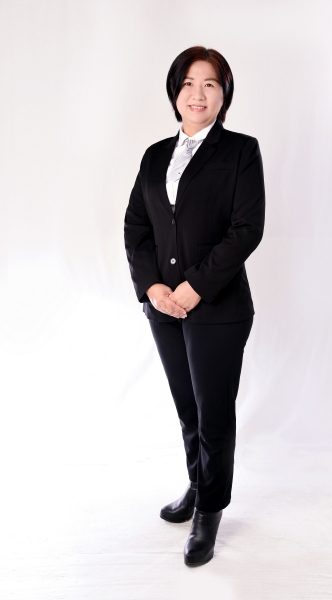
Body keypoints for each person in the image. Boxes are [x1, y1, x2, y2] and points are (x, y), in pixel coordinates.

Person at [124, 46, 265, 566]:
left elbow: (246, 229)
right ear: (174, 92)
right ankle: (196, 483)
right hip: (164, 308)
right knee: (188, 409)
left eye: (210, 83)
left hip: (218, 309)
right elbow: (136, 226)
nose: (197, 93)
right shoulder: (155, 155)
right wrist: (153, 288)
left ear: (224, 94)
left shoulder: (241, 151)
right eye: (188, 83)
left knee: (213, 414)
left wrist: (195, 287)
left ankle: (210, 509)